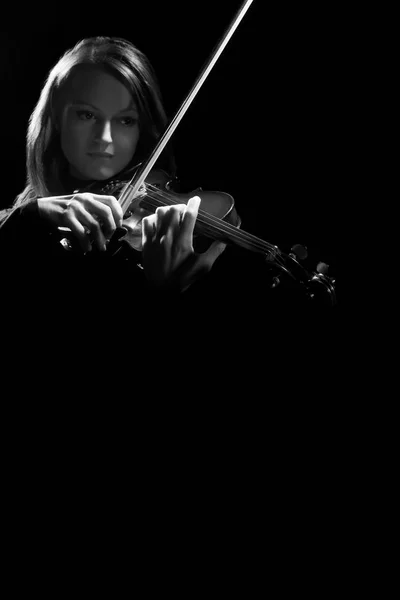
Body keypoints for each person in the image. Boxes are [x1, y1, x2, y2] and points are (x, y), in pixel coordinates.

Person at [0, 36, 231, 345]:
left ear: (143, 129)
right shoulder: (24, 219)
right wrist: (30, 214)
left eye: (125, 120)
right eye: (86, 114)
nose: (105, 138)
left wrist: (165, 297)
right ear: (56, 120)